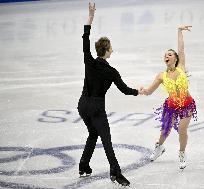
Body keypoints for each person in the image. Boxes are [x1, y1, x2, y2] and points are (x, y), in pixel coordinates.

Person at [77, 2, 142, 186]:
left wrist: (90, 18)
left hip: (83, 106)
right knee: (106, 140)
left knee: (92, 134)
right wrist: (139, 92)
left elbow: (85, 39)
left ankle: (83, 165)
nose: (113, 49)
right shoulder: (111, 71)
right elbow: (124, 90)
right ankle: (116, 173)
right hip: (96, 108)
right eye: (111, 47)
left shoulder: (88, 61)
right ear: (106, 50)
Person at [141, 25, 197, 169]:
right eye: (165, 55)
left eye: (170, 54)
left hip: (186, 104)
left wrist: (179, 31)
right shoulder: (161, 76)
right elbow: (149, 91)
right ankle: (159, 148)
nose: (167, 56)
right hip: (171, 105)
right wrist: (141, 91)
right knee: (165, 130)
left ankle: (182, 153)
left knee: (183, 130)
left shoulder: (181, 67)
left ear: (176, 58)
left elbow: (181, 48)